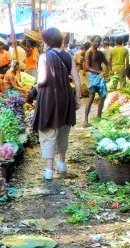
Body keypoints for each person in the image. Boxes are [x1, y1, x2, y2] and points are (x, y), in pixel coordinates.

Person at [32, 27, 81, 181]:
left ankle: (49, 170)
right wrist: (77, 99)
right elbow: (77, 80)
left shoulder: (44, 57)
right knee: (63, 129)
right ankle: (62, 163)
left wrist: (36, 86)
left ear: (46, 41)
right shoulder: (68, 56)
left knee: (48, 131)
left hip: (49, 97)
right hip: (66, 96)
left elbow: (42, 79)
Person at [83, 38, 108, 127]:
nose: (97, 43)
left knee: (103, 96)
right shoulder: (89, 52)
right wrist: (99, 72)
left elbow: (106, 62)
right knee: (91, 96)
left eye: (99, 42)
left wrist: (110, 69)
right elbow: (87, 67)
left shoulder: (100, 53)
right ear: (92, 42)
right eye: (95, 41)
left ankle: (99, 117)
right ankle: (85, 120)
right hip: (94, 77)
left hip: (100, 77)